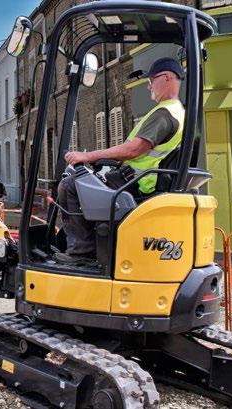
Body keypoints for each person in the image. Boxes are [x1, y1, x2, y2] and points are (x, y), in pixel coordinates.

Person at [56, 57, 186, 264]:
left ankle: (81, 252)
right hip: (137, 180)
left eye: (151, 80)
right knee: (81, 183)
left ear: (168, 78)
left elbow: (133, 150)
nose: (148, 86)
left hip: (136, 183)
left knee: (70, 185)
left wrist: (87, 156)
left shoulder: (164, 113)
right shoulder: (177, 111)